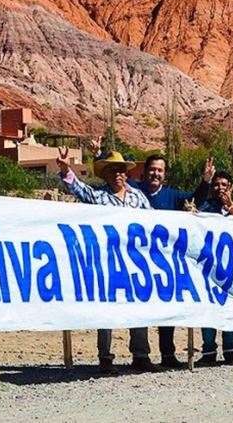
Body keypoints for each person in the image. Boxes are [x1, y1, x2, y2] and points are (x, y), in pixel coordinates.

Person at [87, 138, 214, 369]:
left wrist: (205, 181)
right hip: (118, 258)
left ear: (164, 174)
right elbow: (112, 175)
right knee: (109, 308)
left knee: (151, 308)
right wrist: (98, 156)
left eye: (160, 170)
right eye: (152, 169)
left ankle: (158, 355)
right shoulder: (135, 191)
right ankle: (107, 358)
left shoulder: (173, 196)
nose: (156, 174)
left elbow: (196, 199)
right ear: (143, 173)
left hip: (157, 261)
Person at [56, 146, 161, 374]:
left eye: (121, 170)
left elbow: (155, 222)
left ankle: (140, 355)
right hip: (107, 262)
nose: (117, 174)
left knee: (138, 307)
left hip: (134, 261)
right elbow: (79, 189)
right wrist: (67, 170)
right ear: (105, 174)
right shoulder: (99, 197)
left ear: (127, 174)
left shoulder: (138, 197)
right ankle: (105, 357)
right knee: (107, 309)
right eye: (112, 170)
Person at [196, 171, 233, 366]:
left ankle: (230, 350)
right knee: (208, 306)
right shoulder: (205, 207)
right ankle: (208, 350)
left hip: (231, 267)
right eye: (216, 184)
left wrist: (229, 205)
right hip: (208, 266)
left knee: (230, 306)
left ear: (231, 186)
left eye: (224, 184)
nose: (220, 188)